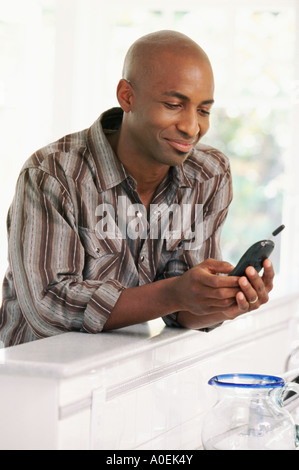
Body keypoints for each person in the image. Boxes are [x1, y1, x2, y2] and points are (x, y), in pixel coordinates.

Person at [0, 30, 274, 347]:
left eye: (203, 110)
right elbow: (48, 307)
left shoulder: (209, 176)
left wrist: (221, 303)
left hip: (122, 371)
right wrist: (174, 293)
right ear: (127, 96)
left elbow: (182, 311)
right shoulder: (54, 173)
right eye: (174, 104)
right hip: (33, 375)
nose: (191, 127)